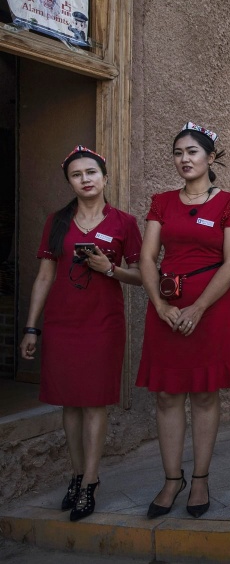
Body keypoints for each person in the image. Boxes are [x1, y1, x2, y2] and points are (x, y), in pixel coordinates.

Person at [19, 146, 143, 522]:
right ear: (70, 182)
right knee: (69, 403)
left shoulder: (124, 223)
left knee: (94, 402)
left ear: (104, 178)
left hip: (103, 323)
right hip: (61, 323)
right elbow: (44, 276)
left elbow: (141, 276)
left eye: (91, 172)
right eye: (77, 174)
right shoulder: (57, 221)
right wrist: (31, 328)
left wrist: (110, 268)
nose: (85, 179)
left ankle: (90, 481)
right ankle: (75, 474)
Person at [136, 122, 230, 519]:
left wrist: (198, 308)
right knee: (166, 395)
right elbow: (147, 258)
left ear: (210, 157)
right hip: (165, 307)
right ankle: (171, 479)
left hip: (209, 309)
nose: (184, 158)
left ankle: (200, 478)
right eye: (178, 152)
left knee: (203, 394)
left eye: (193, 152)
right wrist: (162, 306)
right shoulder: (162, 201)